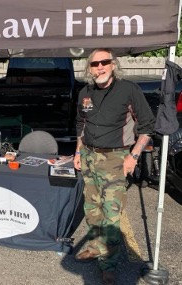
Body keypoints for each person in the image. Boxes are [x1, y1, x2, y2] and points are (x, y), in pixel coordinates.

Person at [73, 48, 155, 285]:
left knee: (111, 215)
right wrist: (78, 151)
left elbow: (147, 126)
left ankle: (108, 264)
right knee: (92, 209)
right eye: (94, 63)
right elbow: (81, 123)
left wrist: (134, 156)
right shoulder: (84, 92)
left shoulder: (128, 90)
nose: (100, 67)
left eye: (104, 62)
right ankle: (96, 246)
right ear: (89, 68)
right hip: (89, 156)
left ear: (113, 65)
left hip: (115, 159)